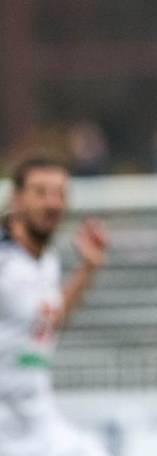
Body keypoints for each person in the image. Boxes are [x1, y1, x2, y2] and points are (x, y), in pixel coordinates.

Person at [0, 157, 109, 456]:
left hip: (36, 419)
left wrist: (87, 269)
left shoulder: (46, 261)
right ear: (16, 199)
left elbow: (48, 321)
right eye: (41, 192)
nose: (52, 203)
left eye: (59, 193)